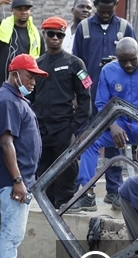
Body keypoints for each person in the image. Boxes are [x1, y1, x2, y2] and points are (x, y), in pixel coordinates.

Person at [76, 37, 138, 210]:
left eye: (132, 60)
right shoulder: (108, 71)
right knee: (89, 142)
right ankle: (87, 194)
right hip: (121, 125)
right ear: (116, 57)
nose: (128, 65)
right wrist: (112, 125)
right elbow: (101, 103)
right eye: (123, 61)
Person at [72, 0, 137, 207]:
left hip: (117, 100)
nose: (106, 15)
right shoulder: (83, 28)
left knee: (116, 143)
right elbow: (78, 65)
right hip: (90, 99)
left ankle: (114, 190)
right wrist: (86, 87)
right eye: (102, 11)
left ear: (116, 4)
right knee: (87, 141)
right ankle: (86, 192)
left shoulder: (125, 27)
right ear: (96, 6)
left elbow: (135, 62)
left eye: (110, 11)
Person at [0, 54, 47, 258]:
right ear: (15, 75)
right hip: (13, 181)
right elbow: (6, 143)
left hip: (19, 180)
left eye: (35, 78)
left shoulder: (15, 99)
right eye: (30, 76)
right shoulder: (7, 101)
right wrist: (18, 180)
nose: (33, 82)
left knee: (13, 236)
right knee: (11, 237)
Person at [31, 16, 92, 208]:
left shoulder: (76, 64)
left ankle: (65, 203)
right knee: (43, 167)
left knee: (67, 167)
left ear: (64, 36)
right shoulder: (37, 64)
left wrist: (73, 126)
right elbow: (30, 96)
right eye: (51, 34)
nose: (55, 38)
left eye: (59, 34)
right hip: (41, 128)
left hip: (63, 127)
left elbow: (85, 97)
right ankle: (47, 204)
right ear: (44, 35)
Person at [0, 0, 45, 166]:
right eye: (19, 9)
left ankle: (14, 158)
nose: (23, 12)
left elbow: (40, 60)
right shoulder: (4, 26)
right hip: (1, 82)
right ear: (13, 11)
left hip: (23, 86)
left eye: (26, 9)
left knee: (19, 122)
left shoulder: (35, 34)